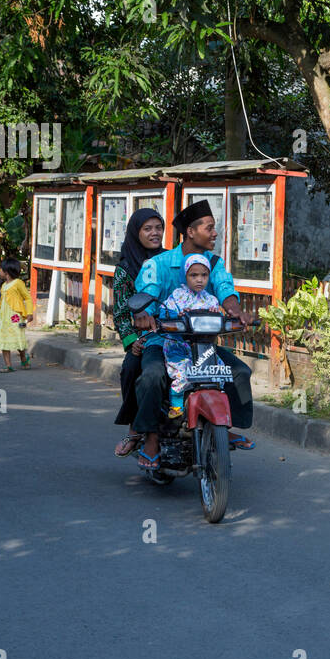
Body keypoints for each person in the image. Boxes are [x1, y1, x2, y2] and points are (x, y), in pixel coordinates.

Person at [131, 200, 256, 472]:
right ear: (190, 231)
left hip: (201, 343)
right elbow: (148, 294)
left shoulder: (213, 263)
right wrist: (145, 313)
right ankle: (151, 438)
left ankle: (224, 426)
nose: (215, 233)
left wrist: (236, 312)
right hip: (163, 342)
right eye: (209, 228)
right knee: (152, 376)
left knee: (239, 372)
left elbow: (225, 290)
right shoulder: (159, 264)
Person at [112, 208, 165, 457]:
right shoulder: (125, 269)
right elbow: (122, 314)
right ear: (136, 232)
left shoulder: (169, 260)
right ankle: (135, 429)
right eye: (148, 228)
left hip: (174, 333)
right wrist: (132, 340)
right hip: (143, 337)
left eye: (158, 227)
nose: (155, 233)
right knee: (132, 369)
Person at [160, 255, 223, 416]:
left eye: (204, 275)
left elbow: (218, 320)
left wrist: (217, 314)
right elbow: (165, 312)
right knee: (183, 373)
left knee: (220, 371)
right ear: (184, 275)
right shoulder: (177, 296)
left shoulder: (211, 300)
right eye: (193, 275)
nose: (199, 280)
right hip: (179, 348)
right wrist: (176, 315)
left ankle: (217, 402)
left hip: (205, 350)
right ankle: (176, 404)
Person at [0, 259, 33, 372]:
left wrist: (29, 313)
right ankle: (8, 366)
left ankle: (23, 357)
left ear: (6, 272)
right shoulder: (3, 285)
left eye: (1, 270)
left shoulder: (18, 283)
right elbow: (3, 300)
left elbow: (27, 298)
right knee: (4, 339)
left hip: (16, 316)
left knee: (18, 336)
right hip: (4, 316)